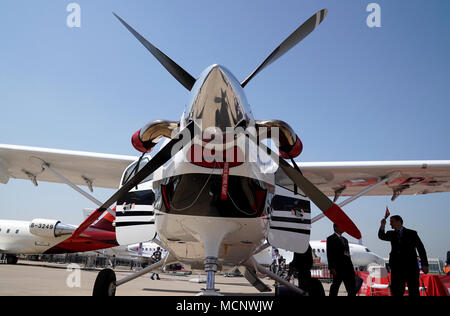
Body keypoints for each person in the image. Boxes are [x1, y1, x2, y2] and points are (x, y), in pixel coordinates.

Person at [378, 215, 429, 296]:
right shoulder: (391, 234)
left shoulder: (412, 233)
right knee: (396, 292)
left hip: (411, 268)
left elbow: (421, 249)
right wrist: (382, 225)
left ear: (399, 222)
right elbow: (381, 236)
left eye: (392, 222)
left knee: (414, 291)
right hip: (396, 268)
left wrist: (424, 264)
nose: (390, 224)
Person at [326, 224, 357, 296]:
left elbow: (347, 255)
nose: (343, 227)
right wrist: (331, 268)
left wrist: (352, 270)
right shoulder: (331, 239)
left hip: (347, 269)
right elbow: (329, 254)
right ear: (335, 227)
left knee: (351, 289)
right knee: (335, 288)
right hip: (337, 269)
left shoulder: (345, 240)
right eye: (341, 226)